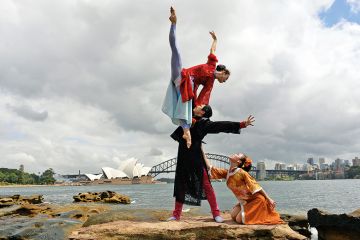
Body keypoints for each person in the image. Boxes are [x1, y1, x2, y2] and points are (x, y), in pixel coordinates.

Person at [168, 104, 255, 223]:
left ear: (203, 112)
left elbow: (220, 125)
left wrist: (241, 124)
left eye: (200, 105)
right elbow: (185, 99)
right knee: (181, 186)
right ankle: (176, 215)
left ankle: (216, 214)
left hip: (196, 158)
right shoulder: (186, 119)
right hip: (183, 158)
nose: (197, 105)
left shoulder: (203, 124)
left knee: (207, 186)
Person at [162, 7, 231, 149]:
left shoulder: (210, 83)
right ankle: (173, 23)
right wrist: (215, 40)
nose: (224, 81)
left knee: (186, 107)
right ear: (223, 71)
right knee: (176, 52)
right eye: (226, 78)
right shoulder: (212, 64)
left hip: (188, 86)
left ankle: (186, 132)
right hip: (182, 76)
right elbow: (212, 50)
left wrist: (195, 112)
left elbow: (203, 99)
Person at [209, 153, 285, 225]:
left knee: (239, 219)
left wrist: (268, 199)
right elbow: (210, 168)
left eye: (237, 154)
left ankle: (262, 212)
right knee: (233, 216)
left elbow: (256, 187)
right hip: (244, 201)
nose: (235, 154)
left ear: (238, 161)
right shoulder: (228, 173)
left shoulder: (243, 173)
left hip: (256, 200)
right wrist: (200, 149)